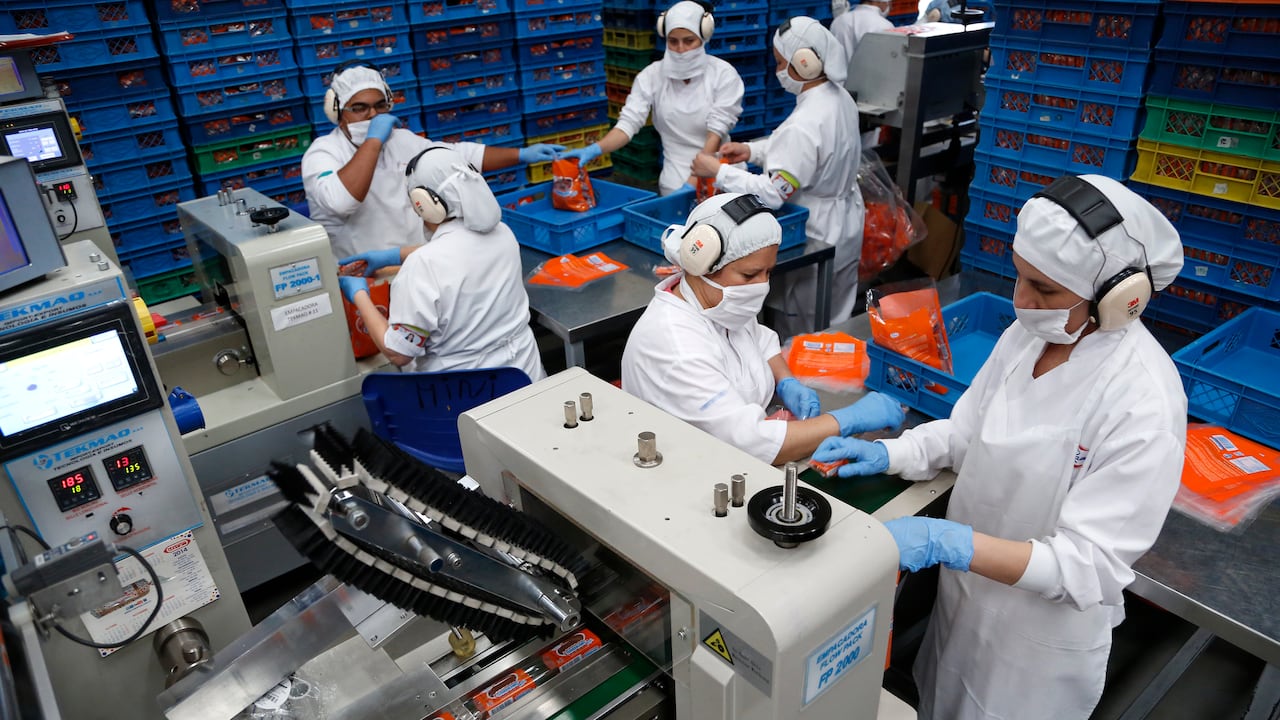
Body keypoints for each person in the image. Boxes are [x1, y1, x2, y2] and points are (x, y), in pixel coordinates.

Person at [812, 175, 1188, 719]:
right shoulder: (1033, 333)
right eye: (1020, 277)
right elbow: (967, 433)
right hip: (966, 604)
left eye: (1046, 289)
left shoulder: (1142, 400)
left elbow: (1090, 566)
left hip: (1034, 647)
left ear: (1119, 298)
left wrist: (949, 542)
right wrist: (892, 452)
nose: (1022, 300)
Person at [621, 193, 904, 466]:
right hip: (688, 472)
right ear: (701, 265)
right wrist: (848, 420)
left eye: (768, 272)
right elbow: (750, 443)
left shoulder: (719, 302)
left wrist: (785, 381)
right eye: (749, 274)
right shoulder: (676, 347)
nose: (761, 286)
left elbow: (758, 339)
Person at [692, 17, 863, 338]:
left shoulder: (807, 121)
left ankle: (803, 376)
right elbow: (808, 151)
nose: (778, 71)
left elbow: (773, 193)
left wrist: (718, 171)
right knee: (838, 312)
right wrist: (752, 151)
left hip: (817, 228)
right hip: (846, 218)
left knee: (804, 322)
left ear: (805, 64)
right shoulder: (839, 99)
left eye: (781, 63)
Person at [303, 61, 564, 258]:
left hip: (417, 262)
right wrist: (373, 141)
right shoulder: (323, 153)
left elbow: (457, 155)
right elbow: (341, 201)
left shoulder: (401, 140)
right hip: (363, 276)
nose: (373, 115)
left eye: (380, 106)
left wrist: (522, 155)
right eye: (359, 108)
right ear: (337, 111)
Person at [337, 147, 546, 381]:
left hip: (464, 396)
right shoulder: (503, 234)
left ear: (422, 203)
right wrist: (392, 256)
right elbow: (462, 254)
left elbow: (398, 353)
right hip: (526, 376)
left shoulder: (423, 265)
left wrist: (359, 295)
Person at [559, 1, 744, 196]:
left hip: (721, 177)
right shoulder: (651, 76)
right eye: (673, 41)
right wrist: (595, 149)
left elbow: (716, 131)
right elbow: (627, 125)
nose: (681, 48)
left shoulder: (723, 75)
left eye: (689, 41)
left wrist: (694, 181)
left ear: (703, 37)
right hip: (676, 181)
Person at [831, 0, 893, 64]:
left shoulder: (838, 21)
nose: (890, 7)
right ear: (879, 2)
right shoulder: (885, 26)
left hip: (837, 73)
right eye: (889, 3)